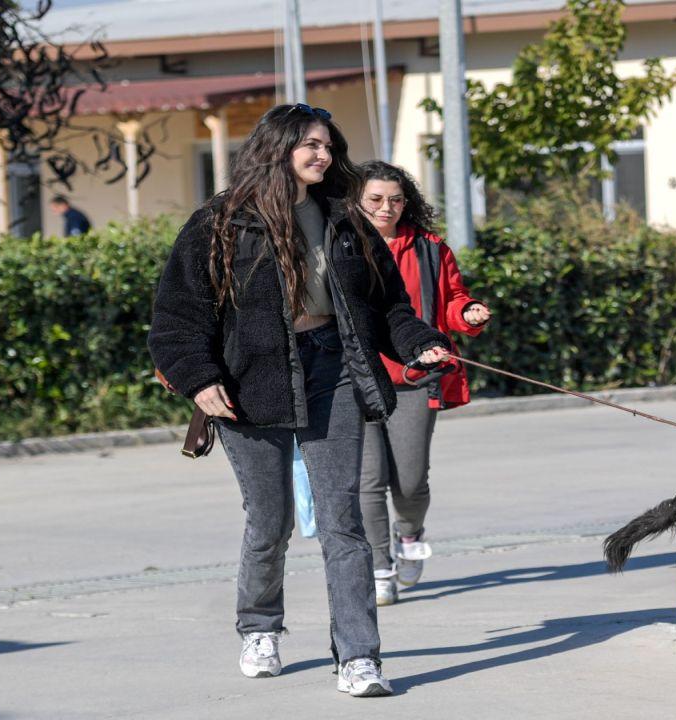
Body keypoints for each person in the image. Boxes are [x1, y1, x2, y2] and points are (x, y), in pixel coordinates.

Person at [148, 104, 450, 697]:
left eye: (328, 146)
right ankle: (260, 628)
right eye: (310, 144)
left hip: (331, 369)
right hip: (245, 385)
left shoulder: (345, 218)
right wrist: (200, 379)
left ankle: (359, 657)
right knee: (271, 520)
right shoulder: (220, 223)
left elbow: (387, 304)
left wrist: (422, 344)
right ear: (276, 147)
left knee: (344, 521)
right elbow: (176, 319)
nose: (324, 155)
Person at [355, 160, 491, 605]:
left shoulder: (430, 248)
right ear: (357, 199)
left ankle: (409, 535)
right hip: (354, 378)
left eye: (395, 200)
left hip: (414, 378)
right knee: (368, 480)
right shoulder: (341, 243)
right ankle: (378, 566)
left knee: (410, 482)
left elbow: (451, 299)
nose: (385, 208)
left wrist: (467, 313)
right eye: (375, 199)